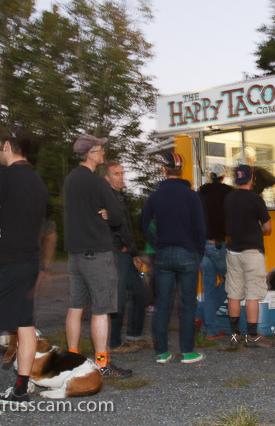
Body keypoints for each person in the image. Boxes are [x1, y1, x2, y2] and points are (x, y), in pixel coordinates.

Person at [0, 128, 51, 406]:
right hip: (29, 262)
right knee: (24, 323)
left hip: (2, 262)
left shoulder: (2, 176)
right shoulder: (38, 182)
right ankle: (20, 390)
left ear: (6, 145)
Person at [63, 135, 132, 378]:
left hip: (75, 254)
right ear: (90, 154)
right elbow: (117, 217)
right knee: (101, 310)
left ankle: (72, 359)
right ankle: (102, 363)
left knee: (75, 306)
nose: (103, 153)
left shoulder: (70, 180)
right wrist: (106, 214)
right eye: (100, 150)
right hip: (97, 253)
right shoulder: (97, 182)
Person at [141, 152, 206, 364]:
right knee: (187, 305)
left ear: (163, 169)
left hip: (163, 254)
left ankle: (161, 353)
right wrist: (198, 252)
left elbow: (145, 225)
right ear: (180, 169)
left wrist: (156, 245)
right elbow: (200, 228)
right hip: (188, 254)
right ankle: (187, 352)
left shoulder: (155, 196)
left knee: (163, 305)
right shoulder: (192, 196)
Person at [224, 164, 274, 348]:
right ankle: (252, 336)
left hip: (233, 252)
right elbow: (268, 227)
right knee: (253, 293)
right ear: (251, 178)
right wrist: (257, 225)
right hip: (252, 253)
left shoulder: (229, 198)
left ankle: (235, 335)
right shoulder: (255, 199)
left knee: (234, 293)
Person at [104, 161, 147, 353]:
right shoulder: (105, 199)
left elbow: (127, 229)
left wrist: (134, 253)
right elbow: (109, 228)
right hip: (115, 254)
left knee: (140, 293)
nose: (121, 177)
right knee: (118, 300)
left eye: (122, 173)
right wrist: (118, 247)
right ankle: (114, 343)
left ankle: (134, 337)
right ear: (107, 178)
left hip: (127, 254)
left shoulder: (122, 198)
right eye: (116, 174)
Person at [196, 164, 232, 339]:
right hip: (217, 243)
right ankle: (200, 314)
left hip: (201, 245)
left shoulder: (200, 192)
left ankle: (210, 329)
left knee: (208, 287)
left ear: (211, 176)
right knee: (231, 281)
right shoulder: (228, 193)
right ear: (223, 177)